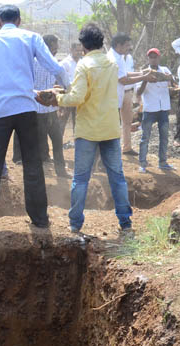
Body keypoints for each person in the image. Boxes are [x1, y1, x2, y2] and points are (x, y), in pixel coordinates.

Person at [0, 4, 66, 235]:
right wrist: (68, 91)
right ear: (18, 20)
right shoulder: (31, 37)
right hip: (26, 108)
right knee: (33, 164)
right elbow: (55, 67)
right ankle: (40, 219)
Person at [39, 23, 132, 234]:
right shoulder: (112, 62)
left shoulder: (83, 65)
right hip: (110, 128)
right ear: (101, 42)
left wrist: (57, 98)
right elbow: (95, 91)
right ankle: (125, 222)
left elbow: (78, 97)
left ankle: (75, 223)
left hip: (89, 130)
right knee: (117, 176)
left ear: (83, 45)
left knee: (81, 178)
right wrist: (65, 91)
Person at [33, 34, 69, 178]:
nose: (56, 50)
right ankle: (43, 174)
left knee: (57, 139)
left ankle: (60, 171)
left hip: (51, 108)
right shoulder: (34, 62)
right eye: (54, 48)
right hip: (38, 108)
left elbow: (56, 84)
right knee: (41, 142)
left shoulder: (55, 63)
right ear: (46, 47)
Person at [107, 33, 148, 155]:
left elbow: (127, 74)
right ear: (118, 45)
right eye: (127, 45)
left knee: (125, 122)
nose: (129, 47)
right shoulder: (113, 59)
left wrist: (143, 74)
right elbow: (123, 79)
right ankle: (108, 154)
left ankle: (125, 148)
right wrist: (144, 77)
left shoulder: (121, 57)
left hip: (124, 94)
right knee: (111, 126)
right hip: (113, 96)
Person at [136, 48, 175, 173]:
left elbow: (173, 85)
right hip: (150, 109)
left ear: (159, 58)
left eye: (155, 57)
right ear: (148, 58)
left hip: (163, 108)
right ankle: (142, 163)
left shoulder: (165, 70)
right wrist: (145, 80)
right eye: (151, 57)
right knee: (145, 137)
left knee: (164, 137)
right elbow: (138, 92)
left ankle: (162, 162)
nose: (153, 59)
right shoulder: (143, 72)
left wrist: (171, 79)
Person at [59, 42, 83, 135]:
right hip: (67, 95)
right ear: (71, 50)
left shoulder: (82, 62)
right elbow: (60, 81)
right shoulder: (64, 63)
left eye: (80, 51)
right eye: (77, 50)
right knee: (62, 120)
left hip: (78, 96)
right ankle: (58, 144)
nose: (79, 53)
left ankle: (77, 143)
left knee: (78, 122)